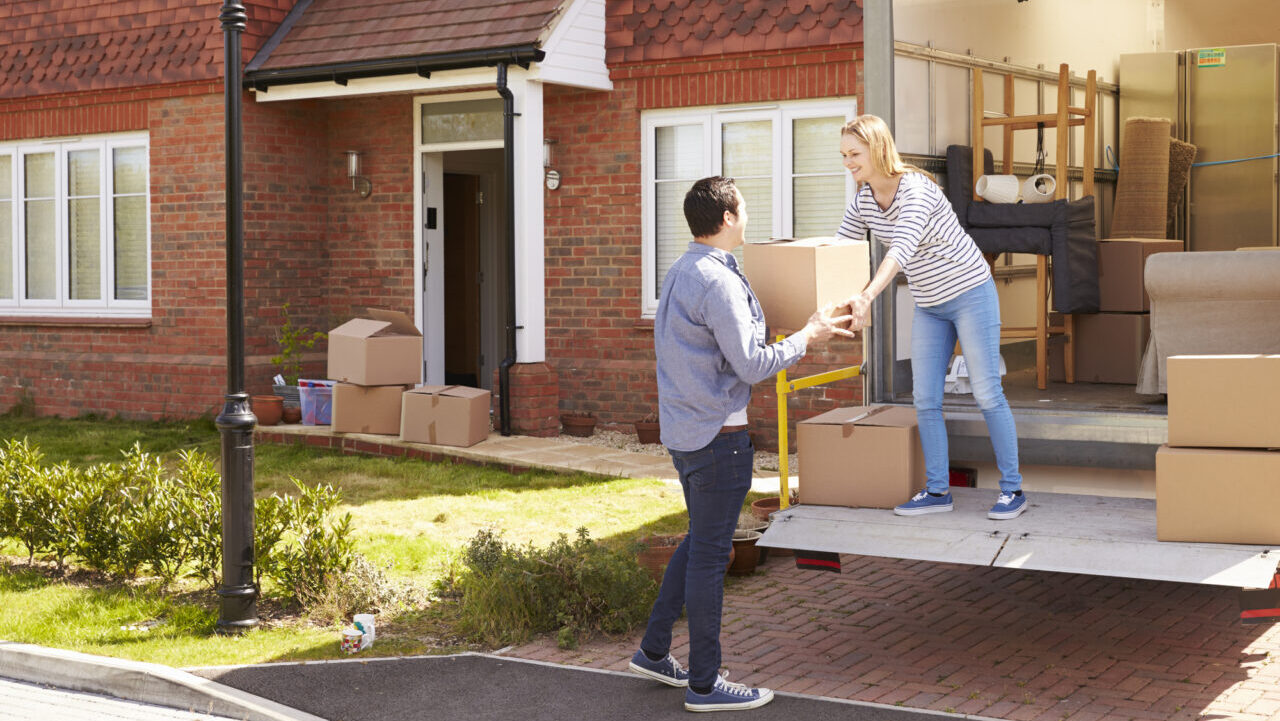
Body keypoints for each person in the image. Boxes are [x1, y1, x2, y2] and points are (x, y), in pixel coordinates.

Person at [628, 176, 853, 712]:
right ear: (727, 217)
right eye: (745, 208)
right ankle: (705, 685)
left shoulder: (683, 271)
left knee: (699, 540)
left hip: (686, 433)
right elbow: (752, 365)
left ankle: (654, 651)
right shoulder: (719, 281)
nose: (749, 216)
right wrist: (808, 336)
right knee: (711, 555)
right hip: (717, 439)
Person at [836, 114, 1027, 521]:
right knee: (925, 398)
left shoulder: (917, 191)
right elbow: (841, 247)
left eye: (854, 154)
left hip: (970, 293)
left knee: (987, 392)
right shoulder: (864, 199)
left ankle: (1013, 490)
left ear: (877, 148)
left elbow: (901, 249)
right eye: (844, 155)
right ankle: (938, 490)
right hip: (929, 303)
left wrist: (867, 295)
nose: (848, 162)